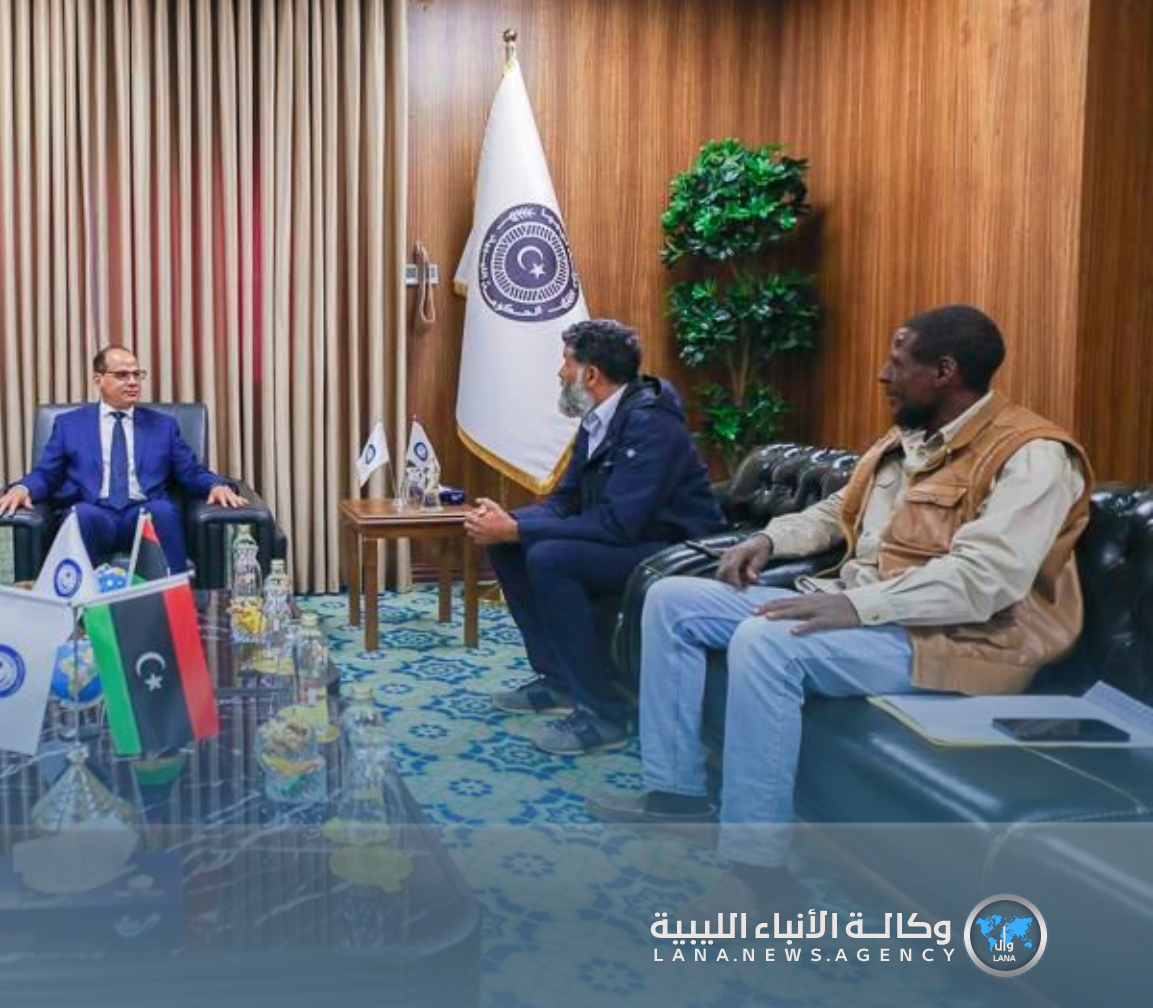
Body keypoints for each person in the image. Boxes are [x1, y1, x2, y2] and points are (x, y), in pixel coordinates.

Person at [590, 305, 1091, 916]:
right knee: (674, 600)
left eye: (898, 361)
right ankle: (678, 799)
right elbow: (838, 511)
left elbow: (985, 580)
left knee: (767, 644)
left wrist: (855, 604)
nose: (883, 373)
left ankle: (760, 875)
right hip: (873, 616)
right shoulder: (905, 440)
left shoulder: (1033, 455)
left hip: (961, 640)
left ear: (944, 371)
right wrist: (770, 539)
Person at [463, 319, 725, 755]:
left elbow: (618, 523)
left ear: (591, 375)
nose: (560, 372)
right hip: (631, 536)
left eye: (566, 362)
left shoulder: (650, 423)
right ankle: (559, 679)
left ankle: (604, 714)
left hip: (676, 550)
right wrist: (508, 524)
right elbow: (565, 501)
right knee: (508, 546)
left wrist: (520, 527)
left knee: (549, 558)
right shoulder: (599, 418)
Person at [0, 345, 247, 571]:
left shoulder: (163, 426)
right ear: (98, 380)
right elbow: (46, 473)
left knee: (163, 511)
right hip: (94, 512)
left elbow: (190, 471)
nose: (133, 382)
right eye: (122, 375)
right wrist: (23, 488)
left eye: (136, 374)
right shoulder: (69, 425)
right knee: (78, 515)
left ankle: (175, 606)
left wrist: (215, 485)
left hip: (143, 513)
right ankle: (78, 608)